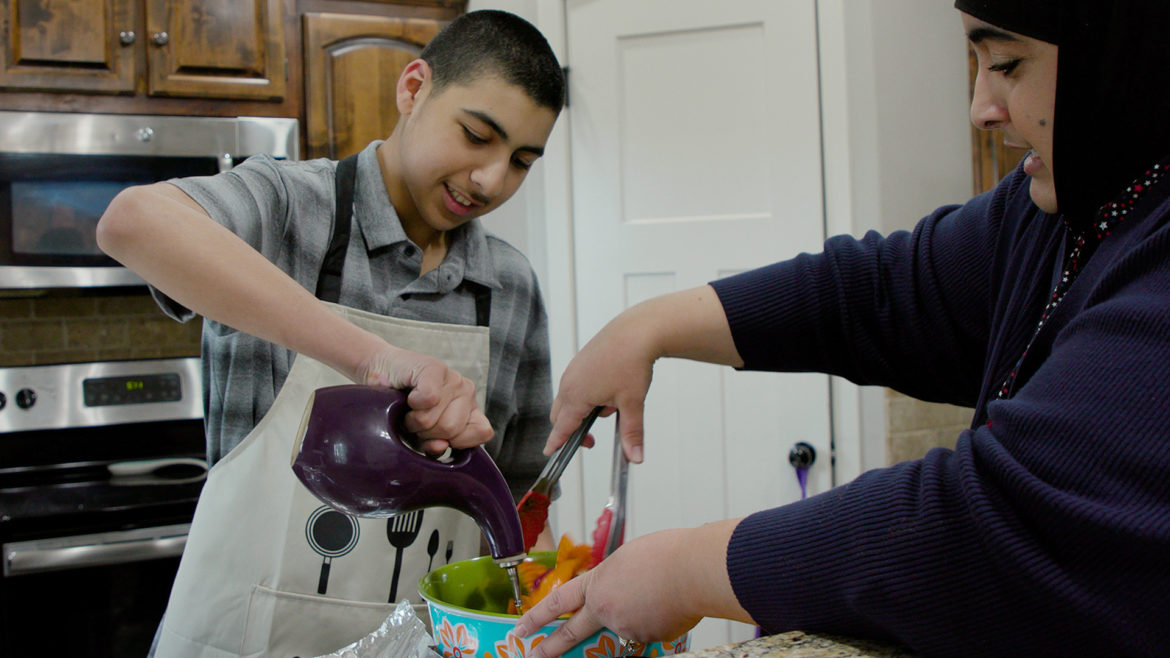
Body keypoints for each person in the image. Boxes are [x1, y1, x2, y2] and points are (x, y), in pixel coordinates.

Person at [514, 1, 1170, 656]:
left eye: (1006, 63)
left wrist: (686, 571)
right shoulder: (1071, 208)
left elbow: (988, 525)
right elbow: (876, 291)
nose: (981, 107)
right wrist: (648, 325)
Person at [96, 10, 565, 657]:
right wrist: (374, 358)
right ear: (413, 87)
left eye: (520, 160)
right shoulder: (288, 207)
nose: (491, 179)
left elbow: (520, 513)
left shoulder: (510, 287)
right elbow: (132, 222)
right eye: (476, 135)